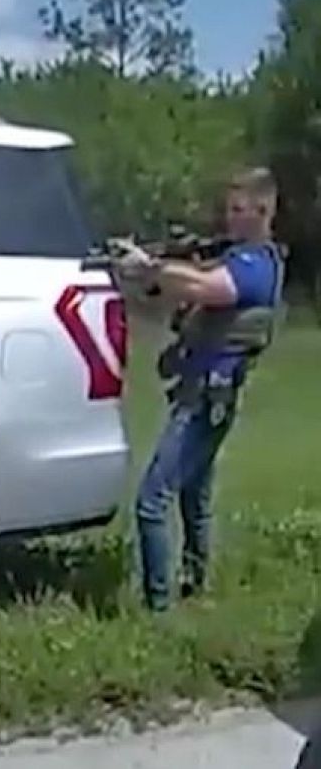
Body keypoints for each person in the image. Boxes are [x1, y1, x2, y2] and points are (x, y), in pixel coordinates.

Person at [117, 167, 285, 613]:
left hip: (208, 398)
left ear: (263, 210)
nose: (230, 218)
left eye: (239, 209)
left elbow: (206, 287)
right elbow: (175, 293)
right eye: (229, 208)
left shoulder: (255, 264)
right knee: (194, 497)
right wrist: (150, 275)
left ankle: (158, 608)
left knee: (151, 501)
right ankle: (195, 587)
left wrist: (151, 267)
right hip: (204, 393)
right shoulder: (234, 257)